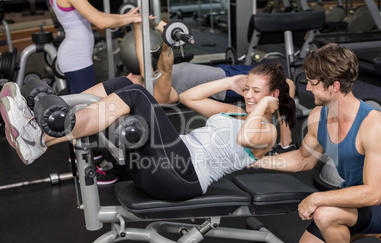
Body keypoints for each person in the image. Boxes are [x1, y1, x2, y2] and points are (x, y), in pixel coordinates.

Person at [0, 63, 295, 201]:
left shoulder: (265, 132)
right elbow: (189, 98)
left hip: (182, 176)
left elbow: (245, 137)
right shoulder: (235, 113)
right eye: (249, 89)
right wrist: (230, 83)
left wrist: (267, 105)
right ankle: (45, 117)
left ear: (274, 95)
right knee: (120, 84)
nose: (250, 96)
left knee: (137, 95)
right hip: (157, 166)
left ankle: (41, 136)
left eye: (257, 92)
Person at [251, 43, 381, 243]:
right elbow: (303, 159)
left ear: (335, 86)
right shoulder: (318, 116)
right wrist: (256, 161)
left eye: (313, 83)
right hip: (351, 197)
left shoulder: (374, 126)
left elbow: (373, 195)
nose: (308, 89)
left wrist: (317, 198)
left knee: (325, 215)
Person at [127, 20, 298, 153]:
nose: (129, 75)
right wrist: (168, 41)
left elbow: (142, 54)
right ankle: (285, 143)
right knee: (287, 83)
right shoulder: (157, 93)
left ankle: (277, 137)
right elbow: (166, 68)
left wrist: (137, 25)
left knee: (281, 82)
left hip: (222, 71)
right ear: (135, 89)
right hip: (228, 83)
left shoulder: (149, 78)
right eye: (127, 80)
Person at [48, 1, 153, 184]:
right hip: (77, 58)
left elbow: (96, 14)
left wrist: (129, 17)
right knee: (83, 113)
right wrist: (133, 19)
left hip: (76, 56)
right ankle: (88, 171)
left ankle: (79, 157)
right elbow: (101, 21)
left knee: (79, 109)